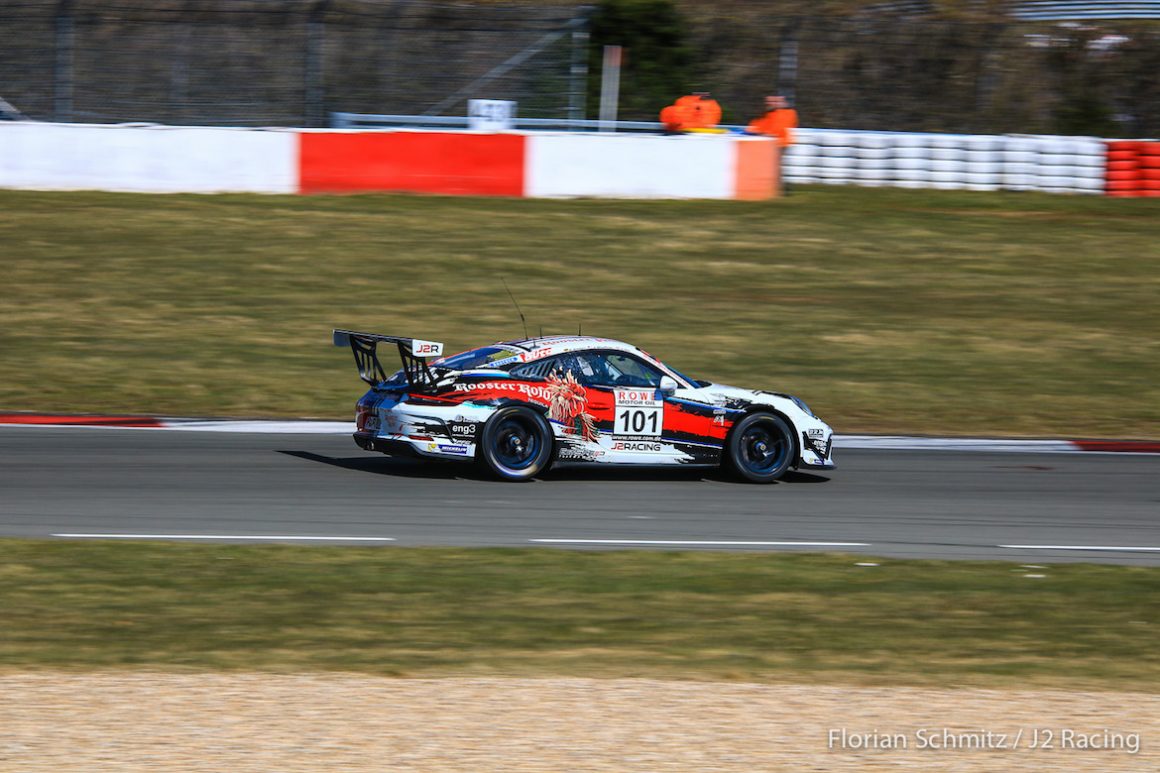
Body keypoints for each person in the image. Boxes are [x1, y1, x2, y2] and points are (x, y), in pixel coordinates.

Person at [747, 95, 798, 194]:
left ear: (783, 103)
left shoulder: (784, 113)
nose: (770, 104)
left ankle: (780, 189)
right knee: (775, 166)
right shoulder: (774, 113)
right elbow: (761, 125)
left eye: (774, 102)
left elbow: (776, 129)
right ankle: (778, 187)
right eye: (769, 102)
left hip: (780, 142)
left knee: (776, 166)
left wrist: (761, 132)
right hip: (777, 142)